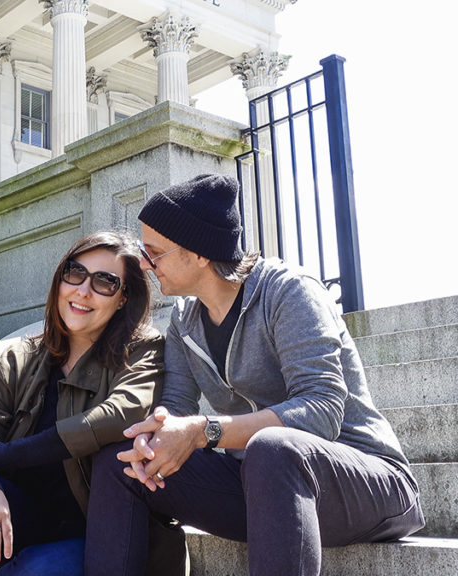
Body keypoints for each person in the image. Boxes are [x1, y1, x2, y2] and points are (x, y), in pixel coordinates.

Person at [87, 173, 425, 576]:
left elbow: (322, 410)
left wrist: (203, 430)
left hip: (365, 484)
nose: (144, 263)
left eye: (155, 253)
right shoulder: (183, 320)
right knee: (120, 464)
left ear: (198, 253)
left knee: (272, 448)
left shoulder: (289, 291)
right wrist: (155, 438)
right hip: (263, 489)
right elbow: (176, 409)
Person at [0, 230, 186, 576]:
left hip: (100, 532)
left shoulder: (141, 350)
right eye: (75, 273)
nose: (82, 290)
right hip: (27, 518)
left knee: (31, 570)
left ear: (123, 298)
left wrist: (4, 454)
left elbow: (118, 415)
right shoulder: (21, 358)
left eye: (104, 282)